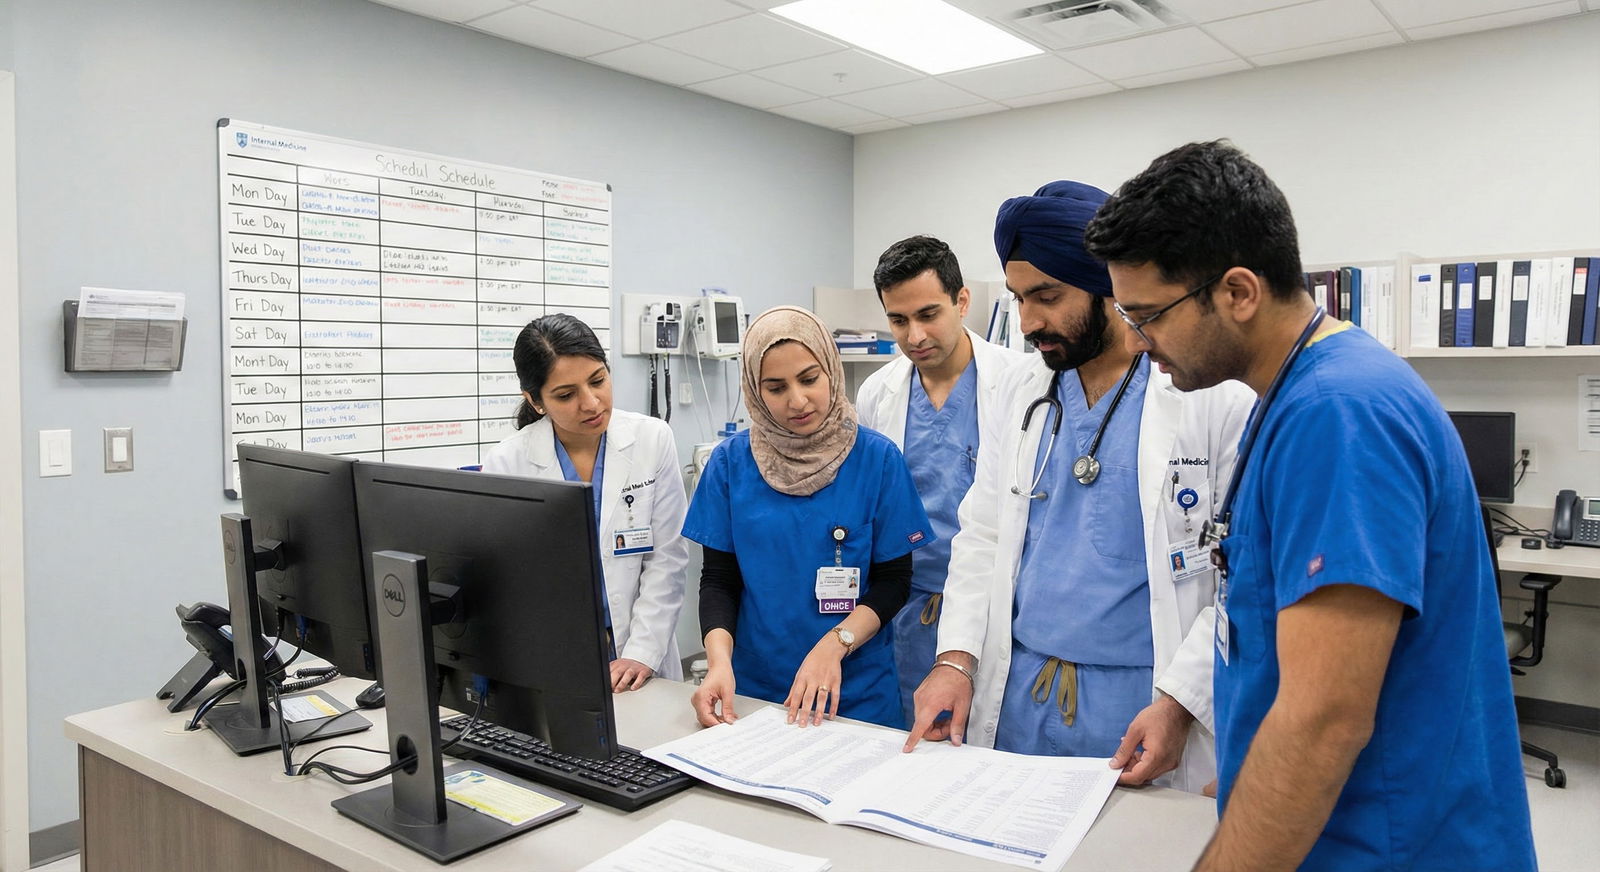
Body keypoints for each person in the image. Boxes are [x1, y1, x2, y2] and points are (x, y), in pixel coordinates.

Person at [1085, 140, 1535, 870]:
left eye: (1149, 317)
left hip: (1387, 847)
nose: (1139, 345)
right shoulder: (1292, 397)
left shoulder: (1339, 413)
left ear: (1237, 292)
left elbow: (1324, 719)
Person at [904, 181, 1254, 797]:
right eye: (1017, 297)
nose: (1028, 321)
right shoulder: (1023, 389)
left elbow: (1245, 576)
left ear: (1110, 285)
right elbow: (982, 534)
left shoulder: (1208, 397)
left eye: (1047, 295)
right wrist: (954, 659)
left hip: (1141, 706)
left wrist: (1180, 702)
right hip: (1018, 696)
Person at [685, 306, 933, 730]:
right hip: (754, 694)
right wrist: (718, 664)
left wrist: (836, 645)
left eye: (809, 378)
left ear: (831, 372)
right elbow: (719, 580)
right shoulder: (730, 464)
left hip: (856, 694)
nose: (797, 401)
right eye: (775, 387)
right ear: (754, 390)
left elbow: (895, 581)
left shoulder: (877, 460)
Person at [856, 235, 1025, 725]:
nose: (914, 336)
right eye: (898, 320)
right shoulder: (877, 393)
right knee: (909, 740)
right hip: (905, 609)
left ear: (962, 301)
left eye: (928, 314)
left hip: (993, 609)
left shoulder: (1019, 382)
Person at [482, 313, 689, 690]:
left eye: (598, 380)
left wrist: (641, 651)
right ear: (535, 400)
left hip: (640, 654)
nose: (592, 403)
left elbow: (667, 558)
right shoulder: (508, 462)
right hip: (556, 657)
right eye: (566, 395)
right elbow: (514, 581)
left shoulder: (652, 439)